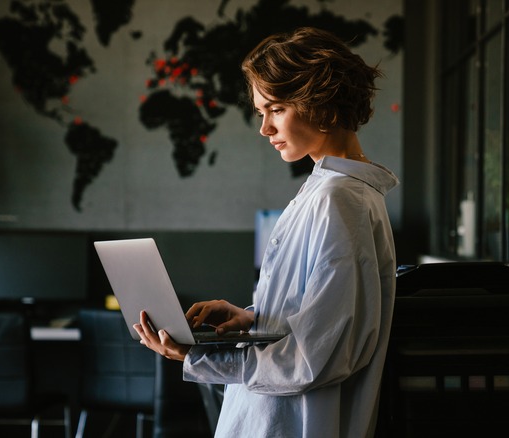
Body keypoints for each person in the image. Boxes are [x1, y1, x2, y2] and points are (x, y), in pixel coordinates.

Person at [133, 26, 398, 437]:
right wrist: (254, 318)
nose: (265, 129)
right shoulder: (327, 192)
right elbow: (321, 314)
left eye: (275, 109)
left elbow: (318, 356)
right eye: (262, 113)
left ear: (321, 102)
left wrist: (194, 356)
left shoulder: (340, 200)